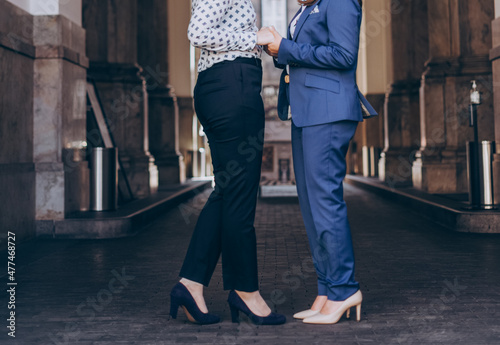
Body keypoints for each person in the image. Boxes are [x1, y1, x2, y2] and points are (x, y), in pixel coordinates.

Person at [169, 0, 286, 326]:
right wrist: (254, 39)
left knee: (227, 191)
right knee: (240, 194)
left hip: (225, 86)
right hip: (232, 87)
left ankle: (190, 285)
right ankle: (246, 291)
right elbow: (198, 32)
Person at [264, 0, 377, 324]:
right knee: (311, 206)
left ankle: (344, 289)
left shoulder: (340, 1)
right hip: (307, 112)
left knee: (325, 203)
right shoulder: (307, 7)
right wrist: (279, 50)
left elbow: (344, 55)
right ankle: (327, 289)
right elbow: (305, 52)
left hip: (328, 112)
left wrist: (285, 46)